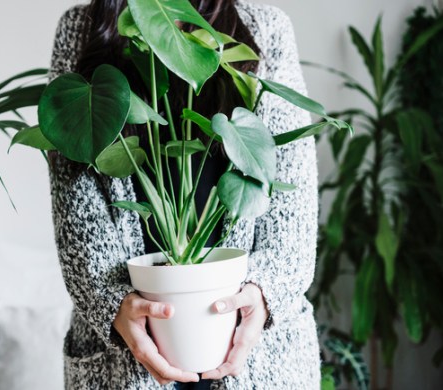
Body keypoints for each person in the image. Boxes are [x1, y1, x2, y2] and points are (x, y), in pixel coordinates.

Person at [47, 1, 321, 389]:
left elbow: (291, 192)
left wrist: (265, 292)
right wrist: (112, 304)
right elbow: (73, 191)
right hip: (121, 353)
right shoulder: (82, 27)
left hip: (254, 347)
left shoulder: (265, 27)